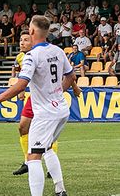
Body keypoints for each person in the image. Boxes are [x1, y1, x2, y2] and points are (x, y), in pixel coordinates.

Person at [0, 15, 76, 196]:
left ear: (32, 32)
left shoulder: (32, 56)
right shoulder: (58, 51)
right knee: (48, 149)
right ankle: (60, 190)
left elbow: (21, 84)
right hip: (61, 110)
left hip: (45, 114)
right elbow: (71, 75)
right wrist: (59, 91)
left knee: (33, 157)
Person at [12, 33, 82, 176]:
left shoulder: (43, 54)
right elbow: (23, 76)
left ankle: (50, 168)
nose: (22, 43)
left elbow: (67, 73)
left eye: (25, 40)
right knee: (22, 127)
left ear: (33, 40)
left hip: (47, 97)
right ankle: (27, 161)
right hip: (34, 97)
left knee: (48, 135)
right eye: (20, 40)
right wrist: (21, 90)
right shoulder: (20, 57)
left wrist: (74, 86)